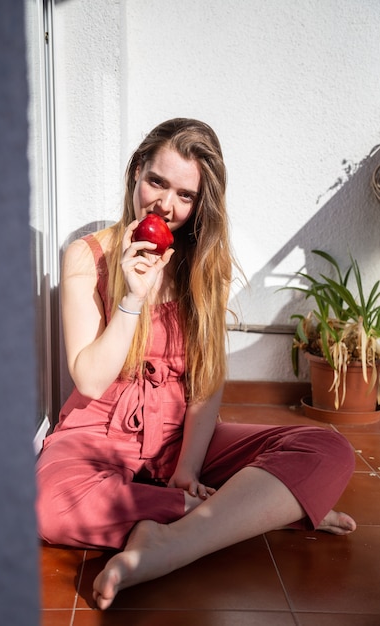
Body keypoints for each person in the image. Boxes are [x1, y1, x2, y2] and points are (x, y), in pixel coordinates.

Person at [36, 118, 356, 610]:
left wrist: (186, 470)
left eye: (184, 196)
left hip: (179, 436)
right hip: (98, 430)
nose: (165, 205)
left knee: (327, 448)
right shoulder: (87, 257)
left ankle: (169, 543)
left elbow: (204, 385)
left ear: (200, 204)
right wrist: (132, 298)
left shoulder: (206, 264)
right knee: (47, 503)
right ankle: (237, 514)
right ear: (136, 172)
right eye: (157, 182)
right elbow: (89, 378)